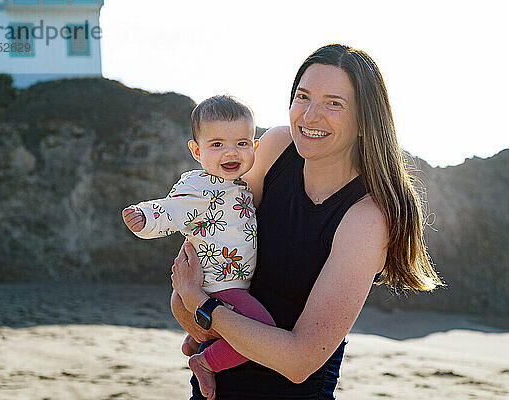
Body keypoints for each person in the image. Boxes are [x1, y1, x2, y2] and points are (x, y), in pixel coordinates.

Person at [171, 44, 443, 400]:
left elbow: (299, 361)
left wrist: (203, 306)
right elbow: (198, 258)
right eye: (303, 97)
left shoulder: (367, 218)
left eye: (334, 103)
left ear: (365, 122)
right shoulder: (274, 149)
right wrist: (190, 305)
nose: (310, 116)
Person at [122, 95, 275, 400]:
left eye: (242, 143)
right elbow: (175, 210)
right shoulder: (202, 187)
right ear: (196, 150)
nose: (231, 152)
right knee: (262, 331)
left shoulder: (239, 184)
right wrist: (147, 216)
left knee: (244, 329)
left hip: (231, 282)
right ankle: (205, 361)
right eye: (217, 145)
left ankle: (195, 338)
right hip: (217, 286)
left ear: (254, 147)